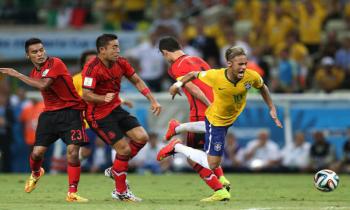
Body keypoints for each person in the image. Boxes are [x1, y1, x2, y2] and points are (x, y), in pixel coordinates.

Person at [157, 46, 283, 201]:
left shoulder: (251, 76)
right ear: (229, 64)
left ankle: (177, 127)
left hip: (228, 119)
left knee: (213, 158)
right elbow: (192, 74)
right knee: (212, 164)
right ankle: (177, 147)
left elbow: (263, 87)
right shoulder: (216, 76)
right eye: (240, 64)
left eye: (245, 63)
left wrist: (271, 107)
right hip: (216, 120)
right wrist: (177, 85)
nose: (244, 67)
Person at [0, 38, 88, 202]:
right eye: (34, 52)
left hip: (71, 113)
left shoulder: (56, 63)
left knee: (72, 152)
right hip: (49, 116)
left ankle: (72, 193)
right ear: (28, 56)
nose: (40, 54)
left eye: (41, 50)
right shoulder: (34, 73)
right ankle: (36, 172)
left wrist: (16, 74)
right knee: (37, 152)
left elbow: (44, 85)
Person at [81, 34, 162, 202]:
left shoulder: (121, 63)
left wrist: (152, 100)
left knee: (142, 137)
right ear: (102, 50)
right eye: (114, 47)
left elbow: (137, 81)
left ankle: (115, 170)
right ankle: (120, 191)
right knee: (123, 150)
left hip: (115, 109)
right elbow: (86, 95)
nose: (117, 50)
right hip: (98, 115)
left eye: (118, 47)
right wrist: (103, 98)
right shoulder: (91, 68)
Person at [158, 36, 231, 201]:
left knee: (193, 157)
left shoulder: (177, 66)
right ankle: (221, 179)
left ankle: (219, 190)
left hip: (201, 111)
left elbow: (192, 87)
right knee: (208, 153)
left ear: (165, 52)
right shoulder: (198, 59)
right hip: (219, 108)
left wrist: (208, 103)